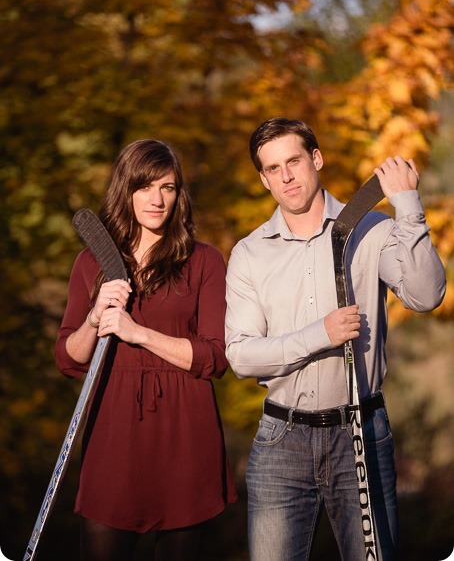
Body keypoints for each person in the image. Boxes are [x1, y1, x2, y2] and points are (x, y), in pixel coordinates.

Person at [225, 117, 446, 561]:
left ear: (316, 159)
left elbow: (427, 295)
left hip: (361, 429)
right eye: (272, 168)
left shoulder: (370, 230)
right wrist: (317, 335)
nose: (286, 176)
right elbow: (242, 356)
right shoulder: (250, 252)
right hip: (280, 441)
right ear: (264, 179)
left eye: (293, 161)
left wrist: (407, 203)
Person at [56, 139, 237, 561]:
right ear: (126, 190)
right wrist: (94, 318)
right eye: (145, 187)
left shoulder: (204, 261)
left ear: (179, 195)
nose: (157, 199)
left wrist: (139, 334)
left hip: (186, 435)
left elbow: (215, 357)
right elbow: (68, 359)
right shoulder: (91, 263)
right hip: (113, 434)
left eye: (168, 188)